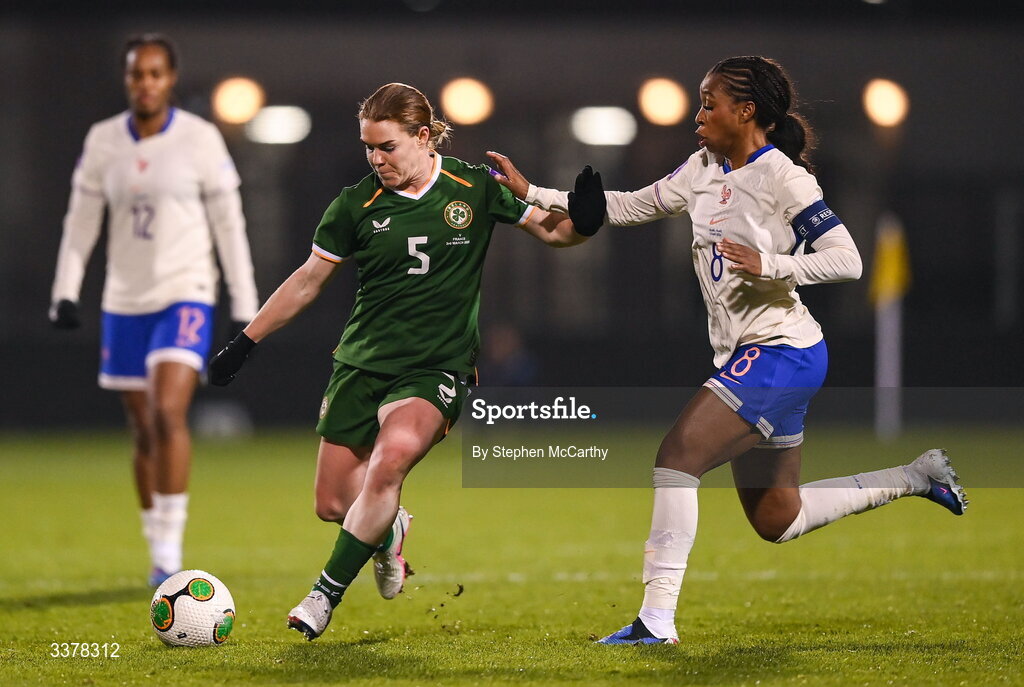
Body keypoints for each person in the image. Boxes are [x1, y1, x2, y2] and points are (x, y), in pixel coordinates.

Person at [488, 55, 967, 645]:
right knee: (777, 518)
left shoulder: (784, 176)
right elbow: (636, 204)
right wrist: (534, 191)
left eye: (709, 103)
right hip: (760, 356)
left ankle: (655, 622)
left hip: (782, 351)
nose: (698, 115)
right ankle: (917, 477)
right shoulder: (703, 167)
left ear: (746, 112)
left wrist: (773, 263)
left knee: (676, 457)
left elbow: (848, 260)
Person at [208, 82, 600, 641]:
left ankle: (323, 595)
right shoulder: (354, 204)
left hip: (436, 369)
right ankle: (389, 532)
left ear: (422, 136)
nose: (376, 159)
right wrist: (245, 342)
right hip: (363, 364)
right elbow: (308, 281)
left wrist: (583, 221)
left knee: (389, 463)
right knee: (333, 503)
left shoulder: (472, 186)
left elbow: (552, 231)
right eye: (368, 147)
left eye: (386, 147)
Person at [49, 34, 259, 588]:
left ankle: (170, 551)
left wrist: (244, 302)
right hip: (124, 299)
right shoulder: (102, 142)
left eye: (155, 74)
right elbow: (80, 222)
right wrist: (65, 291)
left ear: (170, 79)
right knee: (142, 428)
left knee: (169, 413)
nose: (145, 83)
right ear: (128, 81)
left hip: (186, 291)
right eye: (136, 74)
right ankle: (156, 543)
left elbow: (229, 222)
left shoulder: (200, 139)